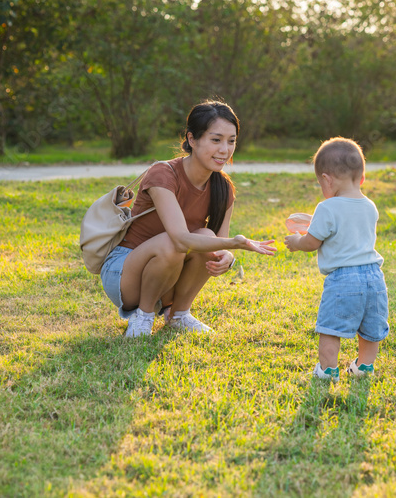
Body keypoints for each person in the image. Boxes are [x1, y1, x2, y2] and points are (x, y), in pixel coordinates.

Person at [100, 100, 276, 337]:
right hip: (125, 274)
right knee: (174, 242)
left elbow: (217, 243)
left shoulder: (223, 188)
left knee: (205, 236)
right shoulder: (163, 174)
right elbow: (181, 240)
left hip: (169, 278)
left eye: (231, 141)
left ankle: (178, 314)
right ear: (192, 139)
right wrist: (236, 243)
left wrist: (228, 255)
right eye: (216, 140)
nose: (225, 149)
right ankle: (143, 317)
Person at [284, 137, 389, 380]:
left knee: (331, 328)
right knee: (371, 328)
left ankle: (328, 370)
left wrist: (297, 242)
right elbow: (347, 227)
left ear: (327, 179)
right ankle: (364, 367)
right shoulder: (370, 206)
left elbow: (312, 242)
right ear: (361, 178)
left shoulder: (327, 208)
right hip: (374, 277)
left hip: (344, 279)